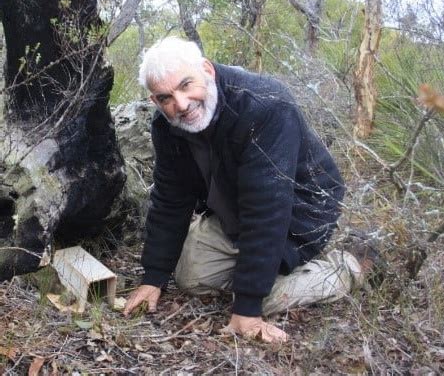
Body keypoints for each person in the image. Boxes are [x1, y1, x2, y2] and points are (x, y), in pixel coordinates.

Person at [123, 36, 376, 343]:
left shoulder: (265, 106)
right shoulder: (167, 125)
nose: (181, 104)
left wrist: (247, 307)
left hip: (299, 211)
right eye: (165, 98)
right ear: (155, 101)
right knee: (189, 277)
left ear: (207, 70)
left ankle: (350, 266)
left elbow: (268, 209)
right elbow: (169, 198)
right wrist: (154, 277)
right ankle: (256, 266)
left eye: (186, 85)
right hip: (234, 208)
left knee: (265, 298)